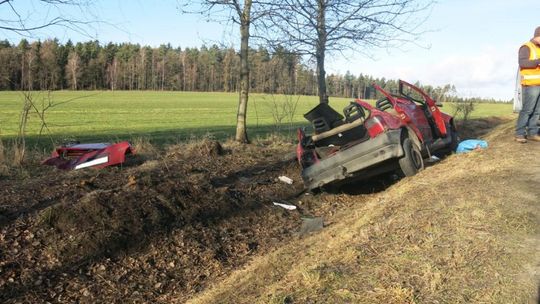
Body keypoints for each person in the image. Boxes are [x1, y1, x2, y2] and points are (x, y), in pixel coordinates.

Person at [516, 26, 540, 143]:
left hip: (539, 84)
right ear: (537, 36)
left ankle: (532, 133)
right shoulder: (526, 47)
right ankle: (519, 134)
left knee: (537, 111)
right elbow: (522, 63)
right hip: (530, 85)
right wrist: (538, 61)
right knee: (527, 110)